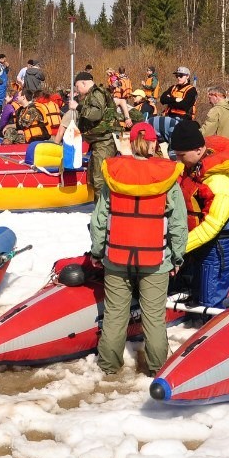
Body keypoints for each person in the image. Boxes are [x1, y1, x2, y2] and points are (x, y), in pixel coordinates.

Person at [88, 122, 188, 377]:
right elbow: (178, 223)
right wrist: (177, 256)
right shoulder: (167, 177)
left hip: (116, 258)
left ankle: (108, 369)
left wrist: (98, 252)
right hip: (155, 260)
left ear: (130, 143)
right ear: (155, 144)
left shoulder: (114, 174)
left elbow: (99, 220)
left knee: (114, 316)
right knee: (154, 318)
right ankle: (158, 371)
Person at [170, 119, 229, 309]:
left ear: (198, 150)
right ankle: (190, 312)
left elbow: (211, 227)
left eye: (181, 155)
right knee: (194, 284)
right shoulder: (192, 166)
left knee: (209, 297)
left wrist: (177, 249)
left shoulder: (222, 180)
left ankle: (207, 323)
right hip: (195, 240)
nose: (179, 161)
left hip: (219, 243)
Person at [73, 71, 119, 199]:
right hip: (97, 142)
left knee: (99, 179)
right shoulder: (92, 95)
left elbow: (95, 114)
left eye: (77, 87)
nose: (77, 90)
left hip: (104, 141)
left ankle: (103, 212)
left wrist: (78, 107)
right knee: (93, 178)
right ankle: (99, 208)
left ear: (84, 82)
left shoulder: (97, 93)